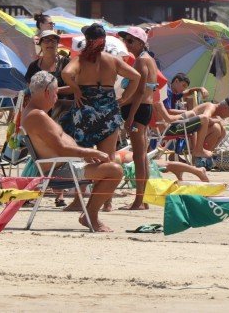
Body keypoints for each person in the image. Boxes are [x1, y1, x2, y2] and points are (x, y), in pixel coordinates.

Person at [22, 71, 122, 232]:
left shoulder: (35, 113)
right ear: (47, 92)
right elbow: (60, 148)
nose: (56, 98)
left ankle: (89, 214)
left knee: (113, 163)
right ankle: (91, 216)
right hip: (60, 170)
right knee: (114, 171)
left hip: (66, 165)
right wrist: (92, 153)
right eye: (55, 94)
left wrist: (86, 156)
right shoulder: (37, 116)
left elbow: (59, 145)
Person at [60, 23, 141, 164]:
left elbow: (66, 73)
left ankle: (86, 186)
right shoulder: (113, 60)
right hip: (109, 110)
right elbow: (136, 76)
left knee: (85, 159)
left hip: (86, 109)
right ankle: (103, 184)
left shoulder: (81, 60)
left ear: (86, 39)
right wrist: (125, 97)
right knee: (107, 159)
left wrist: (76, 89)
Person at [118, 26, 157, 210]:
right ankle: (144, 200)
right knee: (142, 156)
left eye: (131, 40)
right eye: (126, 40)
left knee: (139, 156)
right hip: (143, 108)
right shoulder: (148, 60)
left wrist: (130, 117)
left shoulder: (141, 61)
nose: (127, 43)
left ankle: (138, 201)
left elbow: (141, 91)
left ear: (141, 42)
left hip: (138, 110)